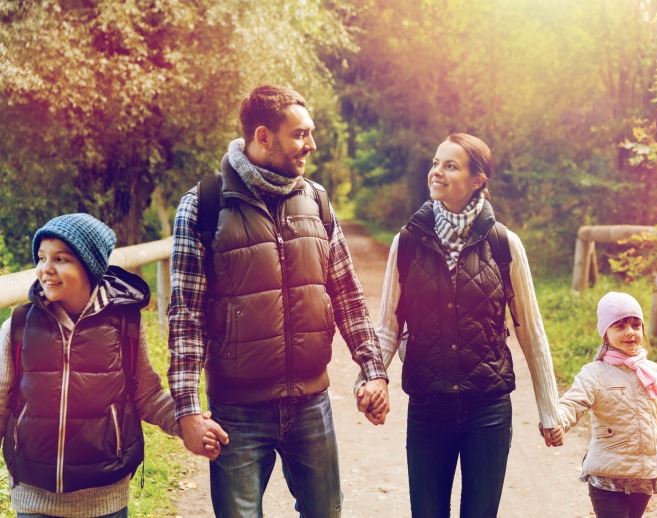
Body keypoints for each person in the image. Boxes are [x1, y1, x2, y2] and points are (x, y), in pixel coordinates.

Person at [168, 83, 389, 518]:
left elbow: (347, 294)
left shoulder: (317, 202)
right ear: (263, 136)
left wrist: (374, 370)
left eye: (310, 133)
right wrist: (188, 410)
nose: (311, 144)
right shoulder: (203, 206)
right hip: (238, 412)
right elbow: (185, 318)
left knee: (326, 512)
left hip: (311, 403)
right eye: (300, 134)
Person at [356, 133, 563, 517]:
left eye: (450, 165)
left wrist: (550, 410)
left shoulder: (505, 245)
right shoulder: (408, 243)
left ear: (478, 179)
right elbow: (387, 326)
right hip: (428, 406)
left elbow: (530, 331)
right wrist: (371, 377)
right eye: (436, 163)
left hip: (488, 408)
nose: (436, 172)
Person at [0, 213, 219, 518]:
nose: (45, 269)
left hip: (105, 497)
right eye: (41, 258)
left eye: (61, 259)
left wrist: (187, 424)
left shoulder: (123, 323)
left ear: (89, 266)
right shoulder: (19, 326)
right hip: (34, 497)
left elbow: (148, 396)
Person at [554, 291, 657, 518]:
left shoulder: (653, 372)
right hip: (607, 478)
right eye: (619, 326)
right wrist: (557, 420)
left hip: (643, 476)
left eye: (635, 325)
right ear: (605, 333)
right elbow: (572, 402)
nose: (630, 332)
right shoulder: (595, 373)